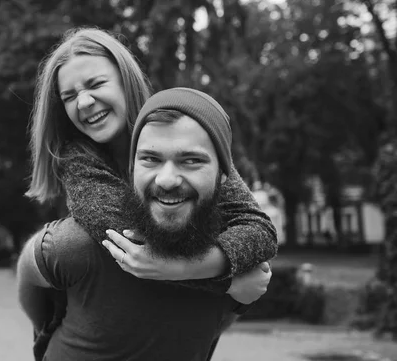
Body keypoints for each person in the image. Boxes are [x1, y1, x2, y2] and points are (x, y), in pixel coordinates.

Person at [24, 28, 277, 358]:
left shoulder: (183, 128)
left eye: (96, 84)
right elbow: (133, 246)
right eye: (69, 96)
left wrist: (205, 265)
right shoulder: (77, 162)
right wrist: (227, 280)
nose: (84, 102)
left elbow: (259, 229)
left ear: (126, 81)